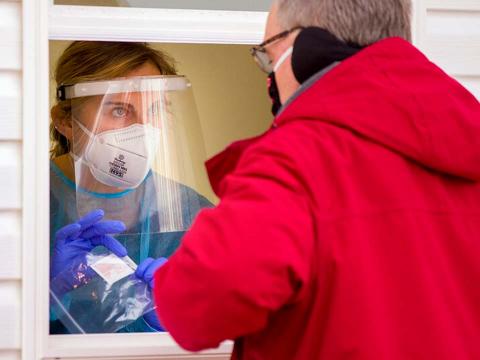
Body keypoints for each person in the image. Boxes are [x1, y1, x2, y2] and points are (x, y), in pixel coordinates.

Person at [139, 0, 480, 358]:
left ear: (304, 49)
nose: (269, 78)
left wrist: (168, 279)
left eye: (268, 56)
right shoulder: (465, 146)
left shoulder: (294, 159)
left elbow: (194, 309)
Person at [49, 41, 212, 334]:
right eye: (120, 111)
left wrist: (175, 325)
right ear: (65, 121)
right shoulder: (20, 202)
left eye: (155, 109)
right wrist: (41, 296)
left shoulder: (194, 214)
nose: (143, 129)